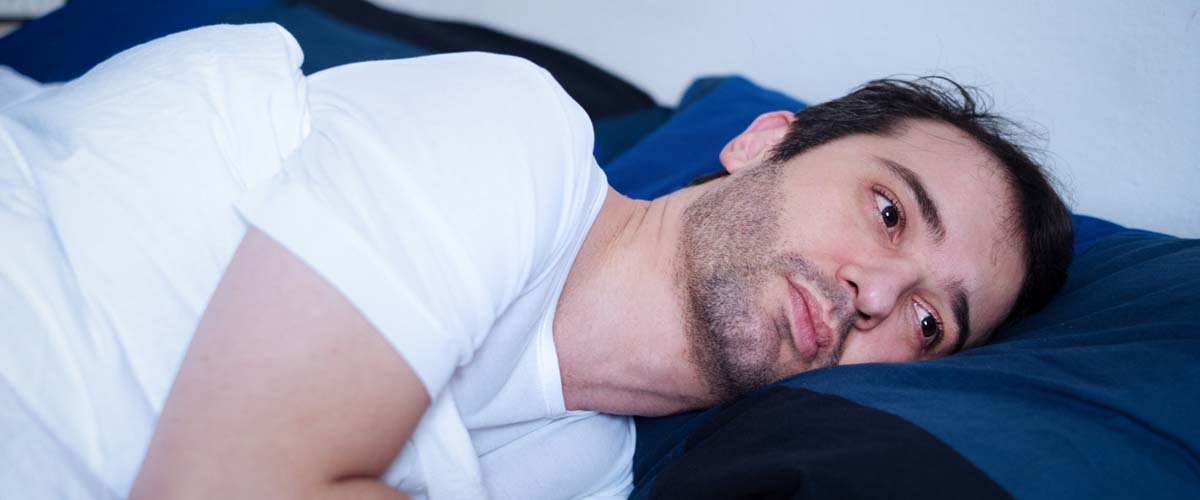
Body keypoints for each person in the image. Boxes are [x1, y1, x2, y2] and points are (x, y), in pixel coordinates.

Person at [1, 26, 1072, 499]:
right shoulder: (512, 132)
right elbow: (223, 489)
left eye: (931, 323)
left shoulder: (588, 476)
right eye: (887, 211)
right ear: (764, 142)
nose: (879, 293)